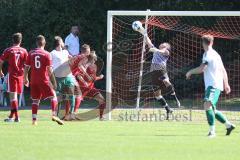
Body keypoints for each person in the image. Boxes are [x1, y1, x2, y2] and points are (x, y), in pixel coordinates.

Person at [186, 34, 235, 137]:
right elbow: (223, 70)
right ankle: (228, 125)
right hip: (215, 84)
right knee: (212, 109)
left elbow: (201, 69)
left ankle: (212, 132)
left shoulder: (207, 54)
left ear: (203, 43)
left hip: (213, 85)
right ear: (212, 42)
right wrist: (226, 84)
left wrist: (190, 72)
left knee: (207, 104)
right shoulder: (216, 54)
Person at [24, 35, 63, 125]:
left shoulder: (31, 53)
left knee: (35, 100)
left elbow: (26, 67)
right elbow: (49, 70)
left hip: (33, 80)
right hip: (44, 80)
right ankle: (54, 115)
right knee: (53, 96)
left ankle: (34, 121)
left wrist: (25, 78)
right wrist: (53, 82)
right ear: (44, 43)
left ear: (36, 43)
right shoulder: (47, 54)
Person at [141, 33, 180, 119]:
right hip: (153, 73)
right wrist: (144, 33)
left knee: (166, 81)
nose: (163, 44)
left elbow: (161, 51)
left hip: (161, 70)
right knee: (157, 95)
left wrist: (154, 50)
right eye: (162, 44)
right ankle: (168, 109)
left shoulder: (166, 51)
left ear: (167, 47)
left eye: (165, 44)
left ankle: (174, 96)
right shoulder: (156, 49)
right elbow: (148, 41)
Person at [50, 36, 80, 120]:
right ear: (59, 43)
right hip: (58, 78)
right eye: (62, 41)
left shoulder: (65, 52)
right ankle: (56, 115)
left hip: (68, 77)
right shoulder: (52, 53)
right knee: (59, 97)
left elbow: (72, 58)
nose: (64, 43)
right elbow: (49, 67)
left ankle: (71, 114)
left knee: (72, 95)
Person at [0, 33, 28, 122]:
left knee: (13, 97)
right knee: (15, 96)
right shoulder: (24, 51)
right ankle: (12, 116)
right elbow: (27, 65)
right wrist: (26, 77)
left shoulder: (9, 50)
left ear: (13, 40)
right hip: (20, 75)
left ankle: (16, 117)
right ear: (21, 40)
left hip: (12, 75)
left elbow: (1, 61)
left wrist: (0, 71)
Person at [72, 51, 105, 120]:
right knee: (78, 99)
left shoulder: (95, 66)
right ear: (93, 57)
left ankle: (101, 117)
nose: (96, 56)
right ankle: (72, 114)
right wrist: (84, 82)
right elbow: (78, 75)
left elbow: (93, 79)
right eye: (95, 55)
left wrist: (99, 77)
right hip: (83, 87)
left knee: (102, 99)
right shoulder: (85, 66)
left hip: (91, 88)